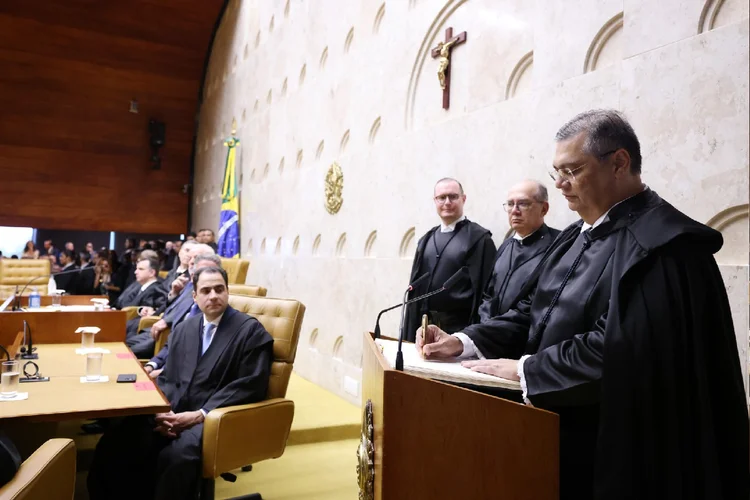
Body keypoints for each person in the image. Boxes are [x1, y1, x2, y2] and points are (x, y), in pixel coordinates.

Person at [416, 110, 749, 500]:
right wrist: (465, 340)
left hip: (621, 447)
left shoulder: (663, 248)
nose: (558, 184)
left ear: (619, 163)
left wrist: (528, 369)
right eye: (556, 172)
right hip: (554, 429)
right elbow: (534, 313)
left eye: (572, 171)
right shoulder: (575, 236)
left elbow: (621, 349)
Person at [87, 266, 274, 500]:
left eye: (219, 289)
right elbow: (169, 378)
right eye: (205, 290)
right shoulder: (185, 328)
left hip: (213, 417)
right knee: (118, 440)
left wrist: (199, 414)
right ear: (194, 296)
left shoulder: (249, 331)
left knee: (176, 457)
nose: (213, 295)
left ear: (228, 292)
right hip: (172, 411)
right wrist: (161, 412)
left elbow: (250, 384)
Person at [402, 178, 496, 342]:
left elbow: (487, 293)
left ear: (463, 199)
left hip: (460, 331)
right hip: (424, 328)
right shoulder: (426, 240)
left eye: (453, 197)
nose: (447, 202)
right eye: (442, 197)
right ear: (435, 201)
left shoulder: (478, 239)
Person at [478, 180, 559, 322]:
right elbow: (489, 294)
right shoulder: (506, 245)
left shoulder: (559, 245)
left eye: (523, 203)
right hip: (490, 335)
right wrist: (485, 325)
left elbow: (542, 303)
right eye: (510, 204)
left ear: (544, 209)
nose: (515, 210)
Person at [126, 245, 216, 359]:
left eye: (197, 258)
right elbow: (173, 306)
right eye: (191, 258)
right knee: (123, 344)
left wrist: (167, 321)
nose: (191, 261)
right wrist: (174, 293)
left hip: (168, 332)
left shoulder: (203, 286)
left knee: (127, 352)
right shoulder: (186, 282)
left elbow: (189, 309)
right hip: (156, 324)